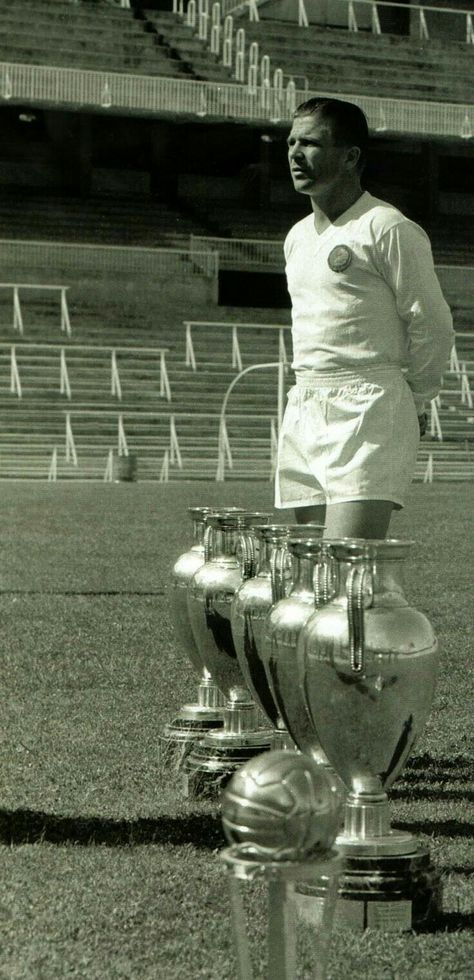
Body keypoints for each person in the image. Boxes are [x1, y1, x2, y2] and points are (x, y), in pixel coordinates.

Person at [274, 96, 454, 539]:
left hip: (368, 406)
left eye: (312, 143)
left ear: (351, 156)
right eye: (291, 141)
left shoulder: (385, 227)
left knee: (346, 570)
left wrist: (415, 397)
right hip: (305, 404)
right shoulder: (296, 237)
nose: (296, 153)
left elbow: (432, 323)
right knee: (309, 580)